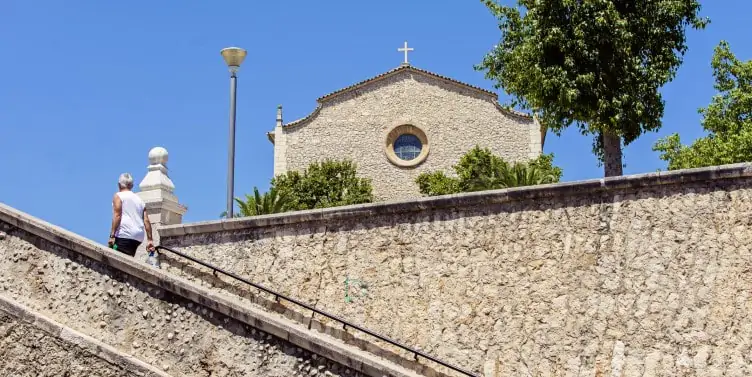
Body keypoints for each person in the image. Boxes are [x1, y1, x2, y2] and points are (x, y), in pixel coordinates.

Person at [108, 173, 155, 256]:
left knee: (118, 260)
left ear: (119, 185)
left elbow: (117, 215)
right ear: (132, 186)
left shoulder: (118, 196)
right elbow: (146, 220)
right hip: (138, 237)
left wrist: (112, 235)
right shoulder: (139, 200)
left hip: (125, 234)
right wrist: (150, 240)